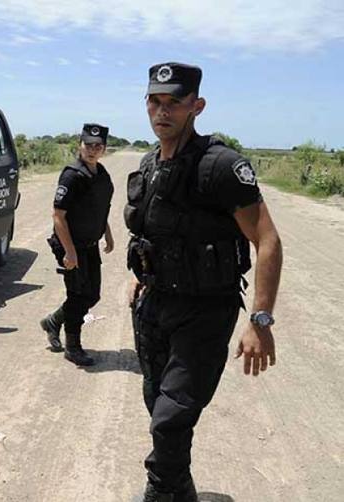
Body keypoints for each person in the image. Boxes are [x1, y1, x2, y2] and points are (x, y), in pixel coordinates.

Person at [125, 62, 283, 501]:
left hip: (205, 312)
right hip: (155, 307)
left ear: (197, 106)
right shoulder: (149, 163)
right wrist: (141, 277)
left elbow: (267, 241)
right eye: (155, 102)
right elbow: (151, 232)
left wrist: (260, 320)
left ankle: (160, 493)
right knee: (159, 408)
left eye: (174, 102)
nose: (162, 111)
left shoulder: (221, 166)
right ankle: (184, 493)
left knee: (171, 418)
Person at [40, 123, 115, 366]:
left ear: (104, 149)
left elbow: (101, 209)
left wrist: (108, 233)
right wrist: (70, 252)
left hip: (90, 244)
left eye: (98, 146)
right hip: (69, 245)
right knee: (78, 294)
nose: (92, 150)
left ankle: (53, 321)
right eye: (88, 145)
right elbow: (58, 215)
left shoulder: (102, 175)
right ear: (79, 146)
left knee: (92, 294)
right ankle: (73, 347)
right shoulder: (72, 175)